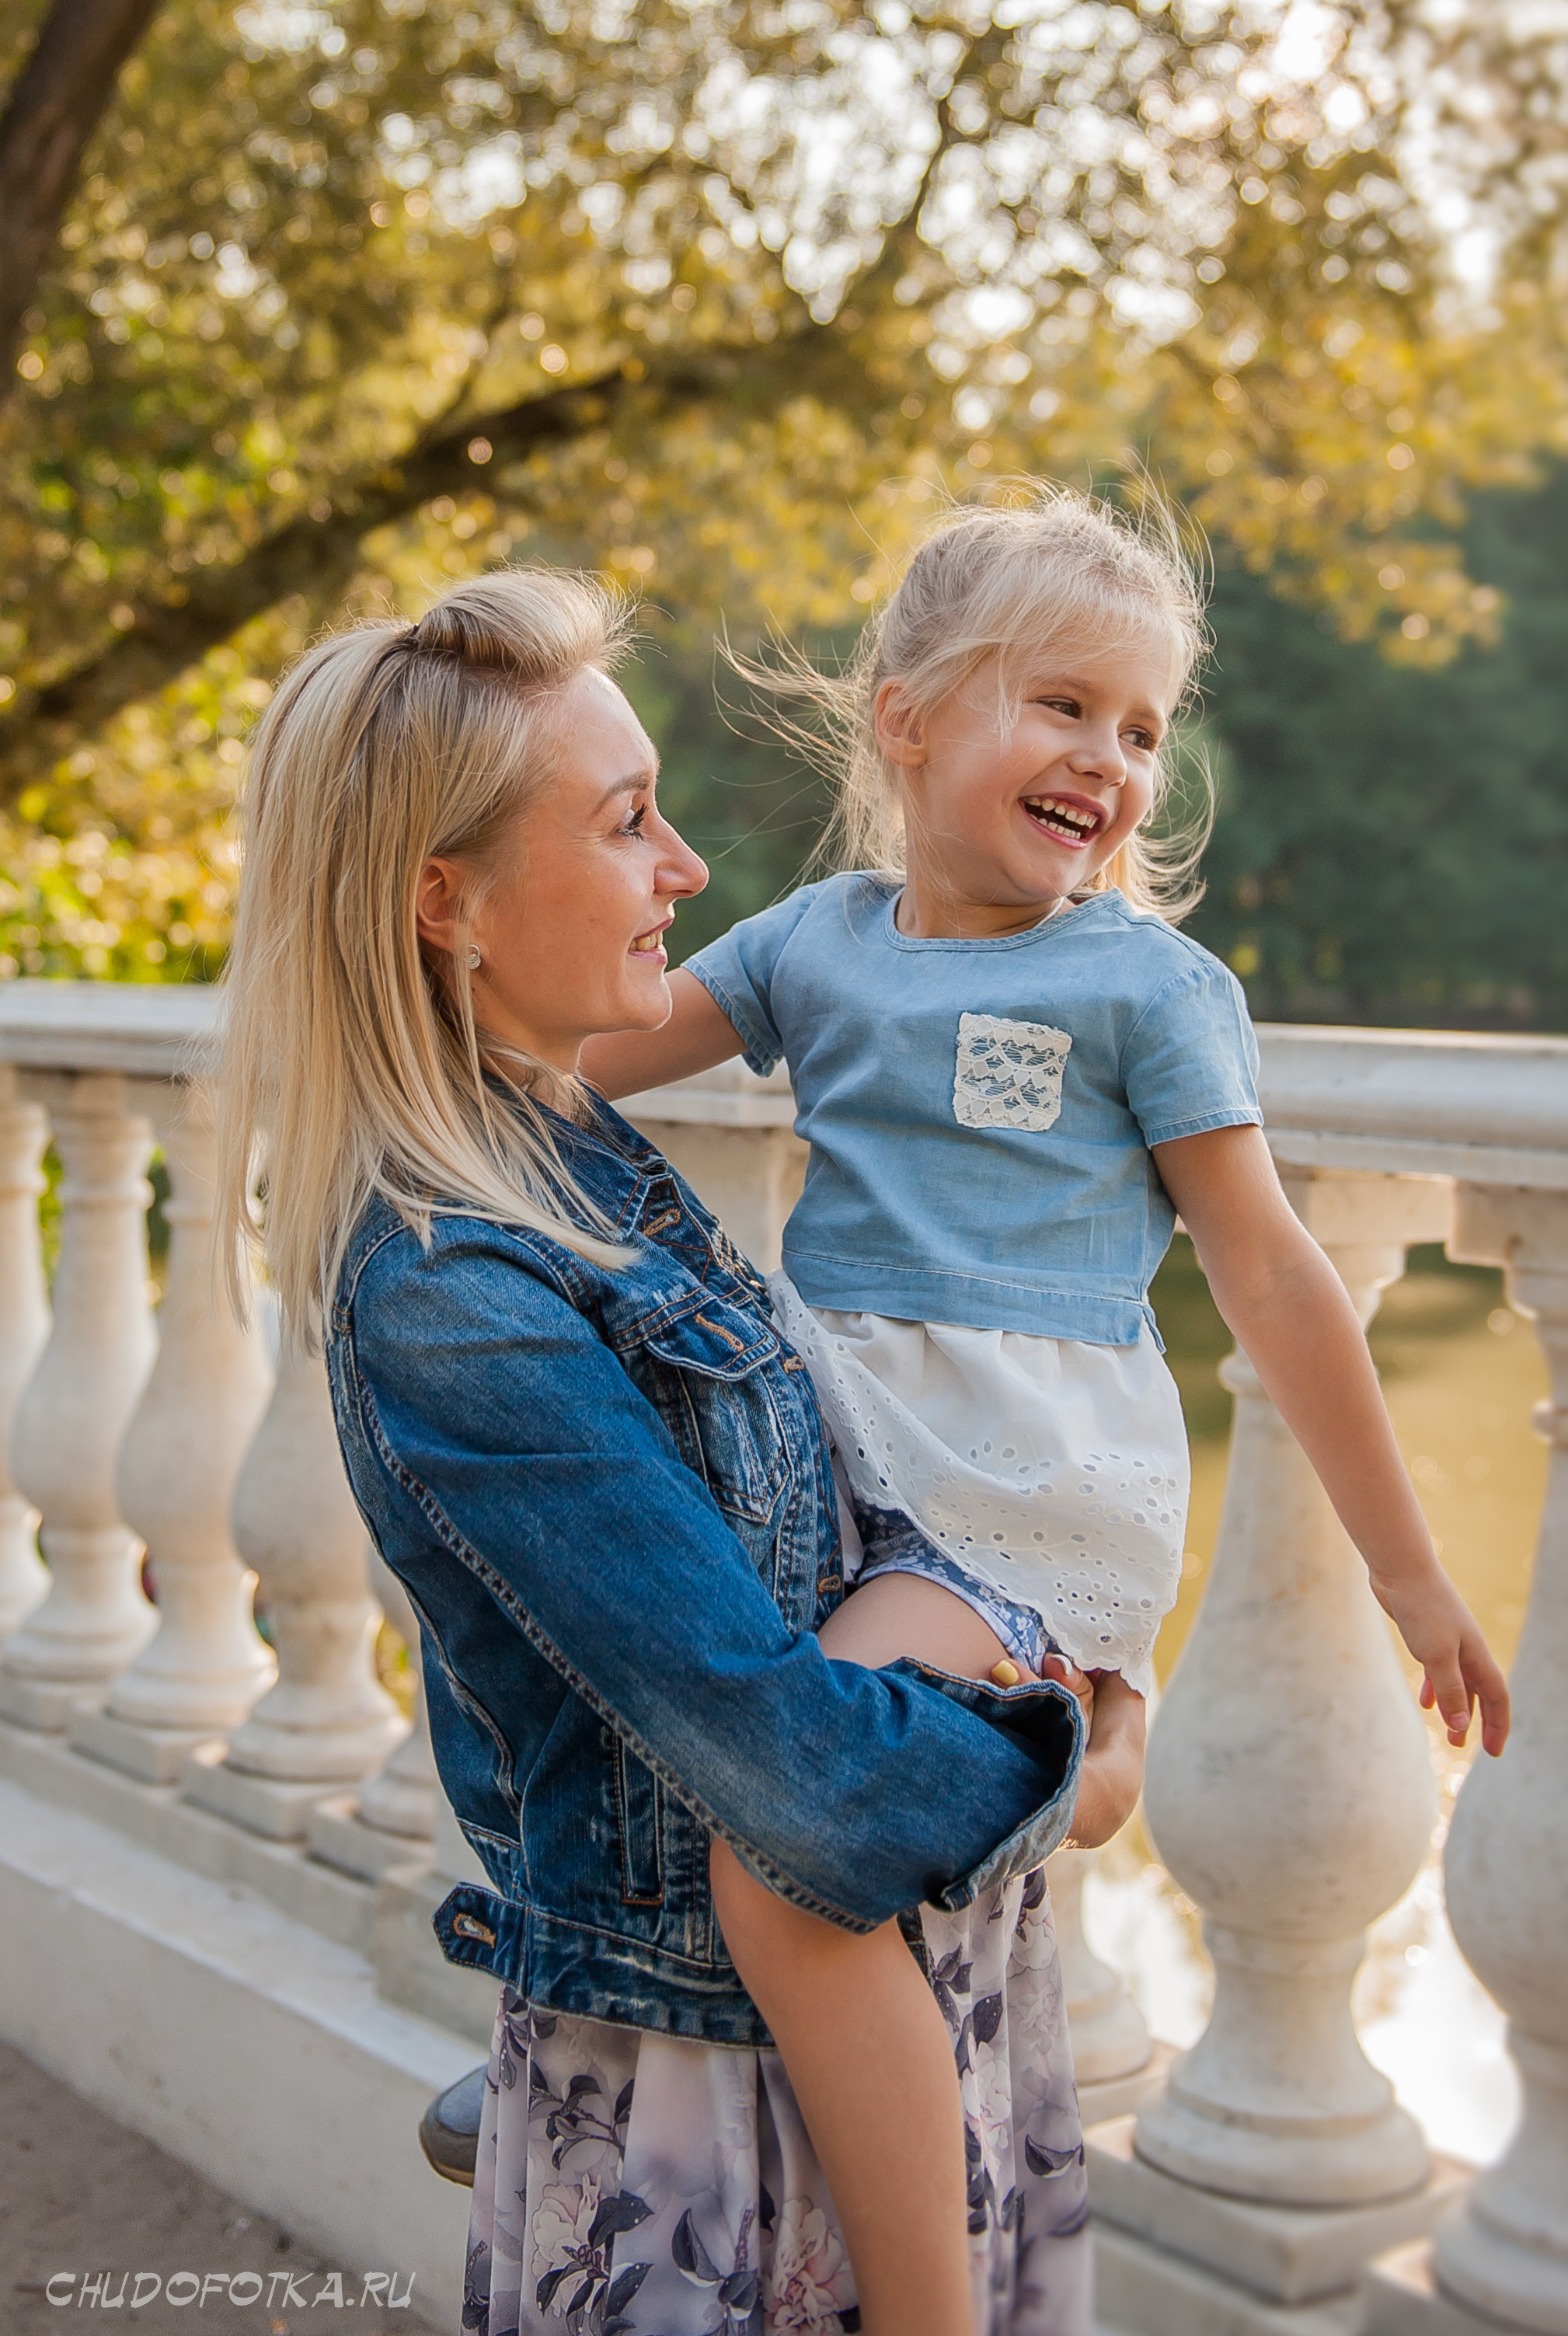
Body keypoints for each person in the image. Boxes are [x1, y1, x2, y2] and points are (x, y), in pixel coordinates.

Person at [580, 484, 1513, 2326]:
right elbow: (581, 1052)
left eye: (1142, 726)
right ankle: (607, 2029)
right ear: (906, 713)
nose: (1110, 757)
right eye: (1061, 704)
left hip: (1013, 1476)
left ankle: (934, 2294)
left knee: (792, 1848)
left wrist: (1409, 1576)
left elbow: (1271, 1278)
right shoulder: (810, 945)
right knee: (624, 1656)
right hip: (822, 1450)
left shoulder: (1143, 987)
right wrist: (417, 967)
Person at [214, 566, 1112, 2336]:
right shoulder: (452, 1291)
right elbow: (796, 1775)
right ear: (440, 903)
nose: (686, 870)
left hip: (872, 2022)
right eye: (627, 824)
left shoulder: (584, 1159)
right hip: (719, 2117)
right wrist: (1074, 1758)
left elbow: (830, 1546)